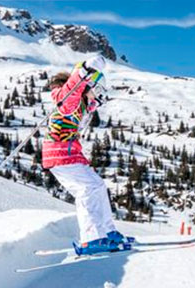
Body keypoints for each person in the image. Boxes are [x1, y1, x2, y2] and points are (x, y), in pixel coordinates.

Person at [42, 56, 132, 255]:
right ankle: (90, 238)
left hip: (69, 155)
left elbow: (85, 107)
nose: (97, 92)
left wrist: (95, 102)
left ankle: (108, 231)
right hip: (60, 155)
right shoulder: (67, 100)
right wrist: (83, 71)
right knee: (86, 190)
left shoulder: (79, 104)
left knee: (97, 185)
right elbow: (68, 94)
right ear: (83, 86)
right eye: (95, 88)